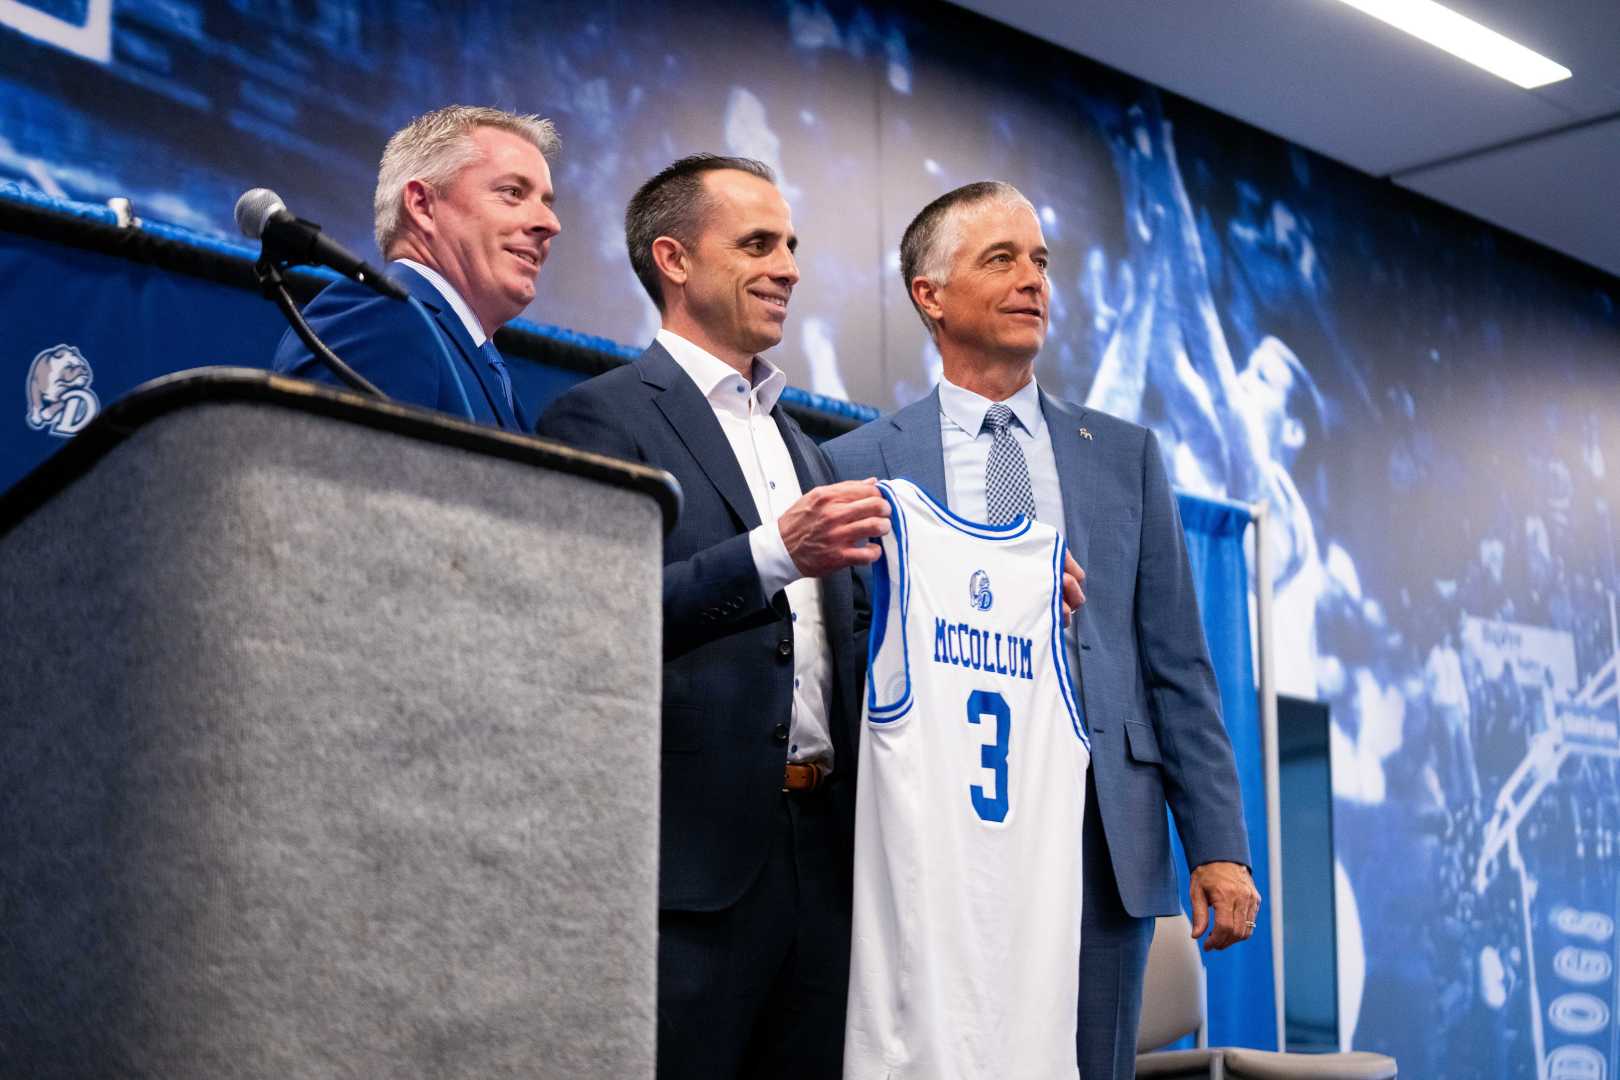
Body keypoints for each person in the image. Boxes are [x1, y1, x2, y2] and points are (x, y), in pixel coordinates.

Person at [823, 181, 1260, 1080]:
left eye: (1041, 261)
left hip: (1101, 836)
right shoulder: (855, 465)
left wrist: (1217, 844)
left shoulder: (1127, 458)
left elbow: (1178, 668)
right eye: (1001, 259)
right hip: (933, 838)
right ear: (929, 294)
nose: (1034, 281)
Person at [534, 154, 886, 1080]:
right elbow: (595, 619)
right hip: (688, 875)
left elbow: (843, 639)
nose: (790, 268)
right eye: (759, 243)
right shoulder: (598, 420)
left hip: (827, 863)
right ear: (675, 259)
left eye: (793, 245)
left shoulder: (807, 448)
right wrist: (773, 553)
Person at [272, 105, 561, 430]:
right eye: (512, 192)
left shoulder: (473, 356)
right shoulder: (380, 318)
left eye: (546, 203)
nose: (550, 223)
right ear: (422, 205)